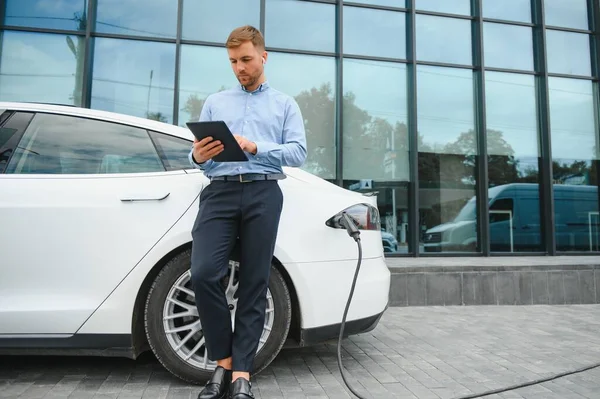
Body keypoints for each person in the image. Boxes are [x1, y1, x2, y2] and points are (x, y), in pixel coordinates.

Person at [187, 25, 307, 399]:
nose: (240, 67)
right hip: (219, 194)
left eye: (246, 59)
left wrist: (256, 146)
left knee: (255, 282)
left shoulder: (285, 104)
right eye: (234, 61)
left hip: (263, 193)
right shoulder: (215, 102)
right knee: (204, 273)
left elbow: (298, 153)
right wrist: (197, 156)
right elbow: (201, 159)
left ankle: (241, 375)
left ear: (263, 56)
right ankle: (221, 363)